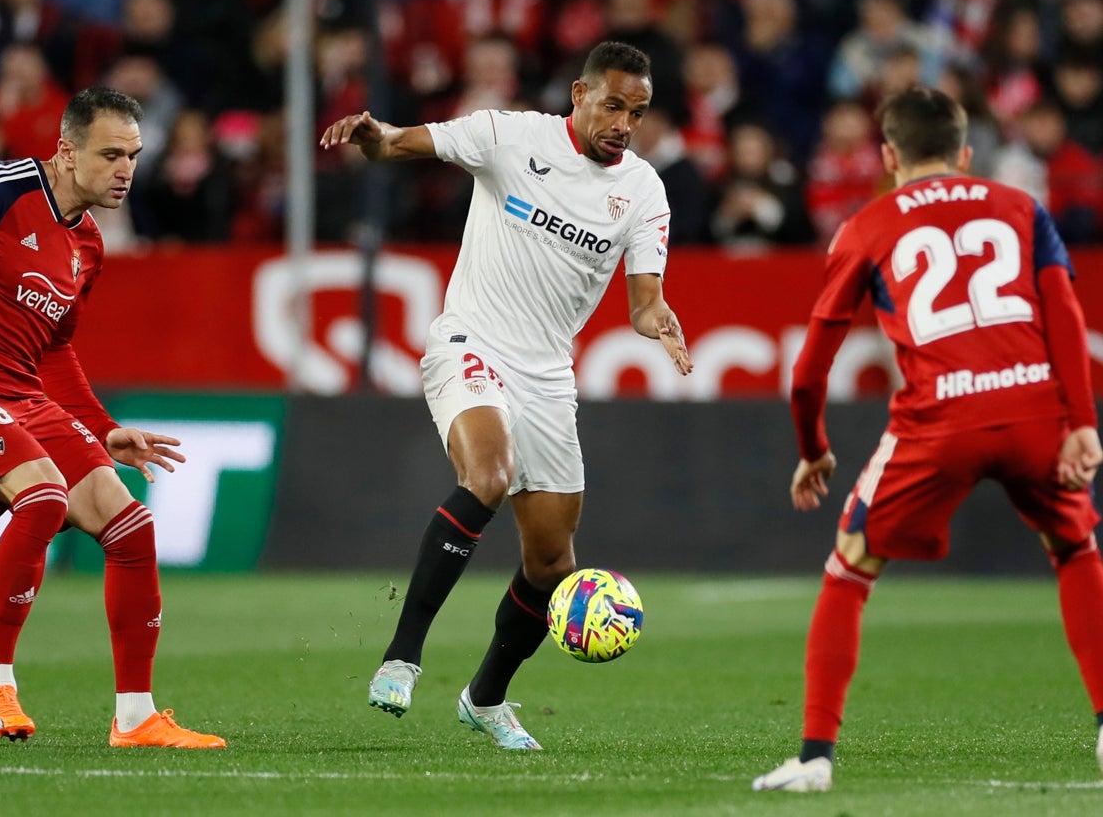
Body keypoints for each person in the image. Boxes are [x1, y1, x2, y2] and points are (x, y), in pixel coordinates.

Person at [320, 41, 693, 750]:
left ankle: (485, 698)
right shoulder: (509, 136)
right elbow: (402, 145)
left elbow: (644, 300)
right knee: (486, 475)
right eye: (613, 105)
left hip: (549, 375)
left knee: (554, 566)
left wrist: (656, 321)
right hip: (471, 343)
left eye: (637, 112)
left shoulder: (643, 189)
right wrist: (377, 137)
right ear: (579, 94)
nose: (624, 123)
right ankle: (402, 655)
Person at [752, 85, 1103, 792]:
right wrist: (1083, 421)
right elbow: (1064, 312)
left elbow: (809, 368)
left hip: (938, 420)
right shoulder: (1021, 207)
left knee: (849, 568)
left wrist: (813, 444)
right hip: (1037, 409)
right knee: (1074, 549)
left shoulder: (866, 226)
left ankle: (816, 758)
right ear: (966, 154)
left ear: (888, 154)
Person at [0, 86, 224, 748]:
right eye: (110, 154)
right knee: (44, 497)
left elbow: (55, 349)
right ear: (65, 151)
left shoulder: (88, 245)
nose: (125, 170)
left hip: (19, 392)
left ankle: (135, 719)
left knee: (130, 526)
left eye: (133, 155)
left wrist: (101, 426)